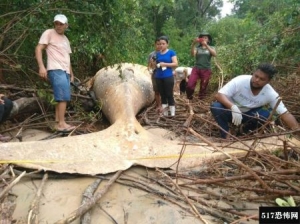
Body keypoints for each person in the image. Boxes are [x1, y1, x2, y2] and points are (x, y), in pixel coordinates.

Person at [210, 63, 300, 139]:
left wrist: (297, 131)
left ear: (268, 81)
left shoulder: (270, 93)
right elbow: (219, 95)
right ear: (253, 74)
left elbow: (285, 114)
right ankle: (226, 134)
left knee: (268, 115)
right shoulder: (240, 80)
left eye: (262, 79)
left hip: (249, 115)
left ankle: (244, 132)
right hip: (231, 111)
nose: (257, 80)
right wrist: (232, 107)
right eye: (256, 76)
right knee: (216, 107)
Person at [35, 14, 75, 132]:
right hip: (55, 69)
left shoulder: (66, 40)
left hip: (65, 71)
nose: (58, 26)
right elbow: (38, 48)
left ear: (66, 25)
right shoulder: (49, 33)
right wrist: (41, 67)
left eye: (61, 24)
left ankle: (58, 121)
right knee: (63, 97)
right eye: (56, 23)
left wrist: (71, 74)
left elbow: (67, 58)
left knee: (61, 96)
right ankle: (62, 124)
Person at [186, 31, 217, 100]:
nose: (203, 39)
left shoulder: (211, 47)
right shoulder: (198, 48)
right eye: (202, 38)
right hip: (196, 69)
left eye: (205, 38)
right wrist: (193, 44)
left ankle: (200, 102)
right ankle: (189, 99)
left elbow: (214, 54)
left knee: (203, 88)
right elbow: (192, 54)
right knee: (190, 86)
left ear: (208, 40)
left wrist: (206, 45)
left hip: (206, 69)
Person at [155, 36, 178, 116]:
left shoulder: (171, 52)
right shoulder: (157, 54)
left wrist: (164, 64)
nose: (161, 45)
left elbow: (175, 63)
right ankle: (165, 112)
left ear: (167, 44)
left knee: (169, 94)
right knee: (162, 94)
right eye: (160, 44)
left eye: (163, 43)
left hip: (168, 75)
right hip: (158, 76)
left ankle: (172, 113)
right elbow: (155, 65)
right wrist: (154, 63)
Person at [148, 38, 161, 109]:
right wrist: (151, 68)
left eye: (161, 44)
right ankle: (158, 105)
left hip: (163, 73)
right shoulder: (151, 55)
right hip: (155, 73)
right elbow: (149, 65)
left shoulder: (164, 53)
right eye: (158, 44)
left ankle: (164, 104)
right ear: (155, 44)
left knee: (164, 90)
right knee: (156, 90)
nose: (159, 46)